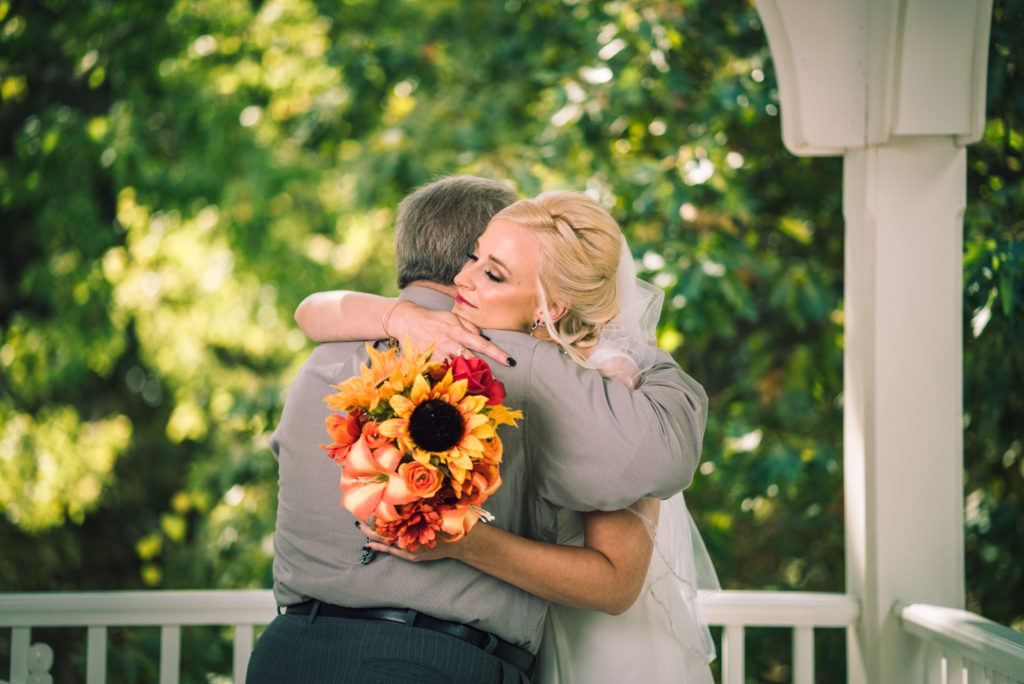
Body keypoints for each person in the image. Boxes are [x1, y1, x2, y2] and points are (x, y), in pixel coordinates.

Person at [246, 176, 708, 684]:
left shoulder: (321, 359)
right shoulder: (522, 362)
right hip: (424, 663)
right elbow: (662, 457)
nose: (471, 277)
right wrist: (635, 356)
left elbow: (311, 309)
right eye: (475, 258)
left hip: (284, 655)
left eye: (492, 268)